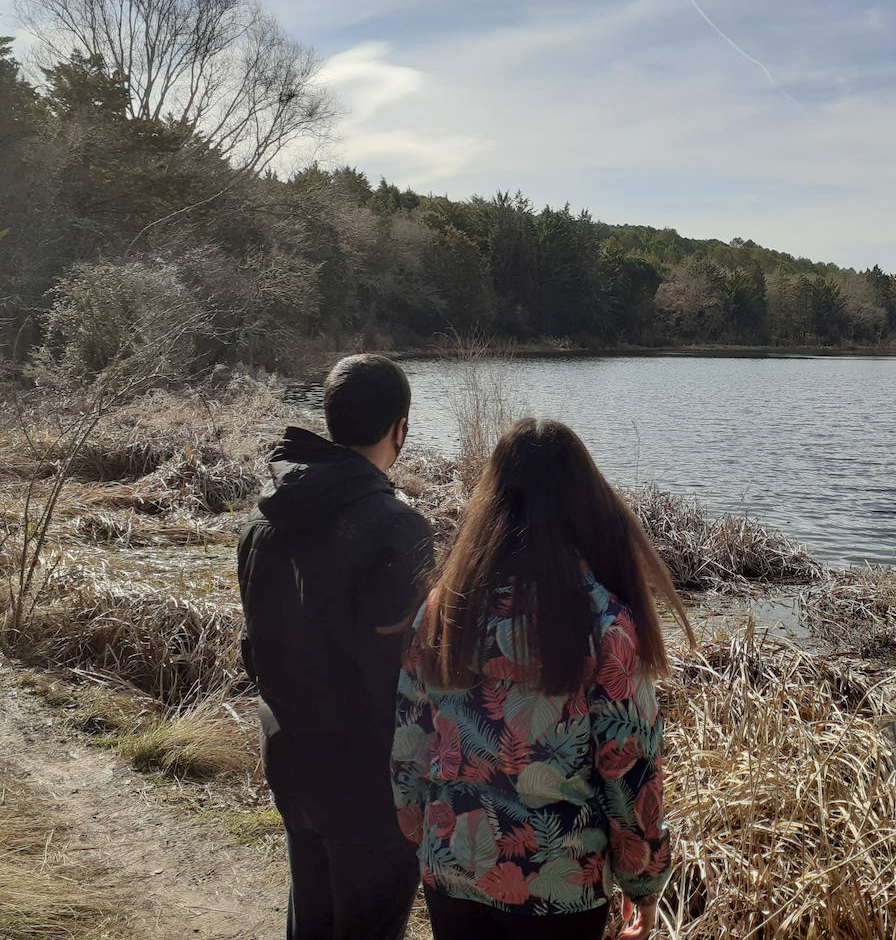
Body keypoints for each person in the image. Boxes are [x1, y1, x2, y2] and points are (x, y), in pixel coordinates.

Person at [392, 418, 693, 940]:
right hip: (560, 887)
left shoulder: (443, 611)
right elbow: (631, 773)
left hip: (452, 865)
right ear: (587, 505)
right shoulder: (605, 625)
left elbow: (409, 737)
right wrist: (643, 883)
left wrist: (419, 829)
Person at [239, 353, 434, 940]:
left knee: (312, 920)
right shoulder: (397, 530)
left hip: (291, 754)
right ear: (400, 427)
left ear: (331, 420)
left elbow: (255, 646)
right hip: (368, 779)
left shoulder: (264, 519)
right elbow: (405, 679)